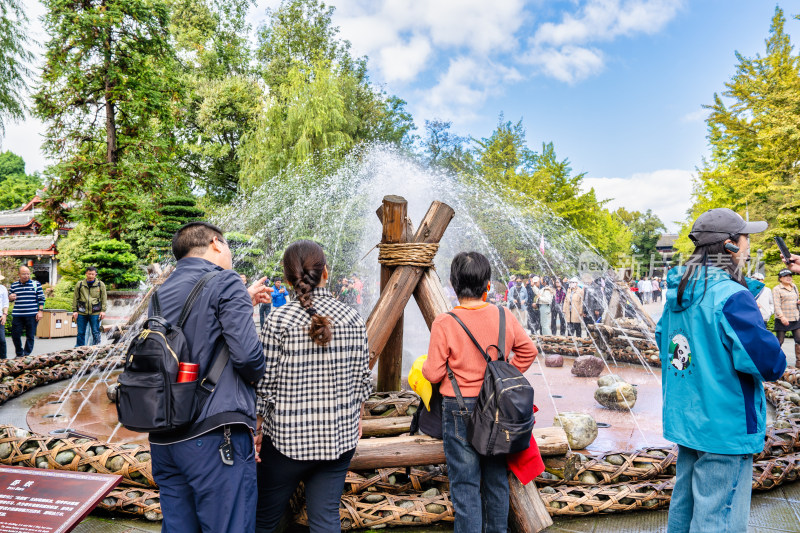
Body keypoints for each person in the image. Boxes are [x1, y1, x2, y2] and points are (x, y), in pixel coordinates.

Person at [657, 208, 785, 532]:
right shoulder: (731, 297)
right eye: (745, 239)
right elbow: (768, 363)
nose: (749, 246)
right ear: (730, 245)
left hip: (688, 423)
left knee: (684, 513)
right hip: (724, 428)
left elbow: (668, 347)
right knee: (719, 520)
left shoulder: (679, 294)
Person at [147, 222, 269, 533]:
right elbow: (248, 358)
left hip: (165, 435)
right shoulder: (226, 282)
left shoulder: (161, 293)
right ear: (216, 243)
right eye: (227, 246)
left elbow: (192, 335)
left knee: (179, 527)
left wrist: (242, 299)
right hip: (214, 434)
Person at [255, 240, 371, 533]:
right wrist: (356, 419)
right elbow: (362, 380)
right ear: (325, 273)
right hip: (338, 440)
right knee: (325, 519)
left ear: (288, 278)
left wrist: (256, 429)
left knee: (264, 517)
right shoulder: (353, 317)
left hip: (285, 443)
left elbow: (264, 386)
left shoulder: (279, 319)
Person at [422, 251, 537, 533]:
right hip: (498, 409)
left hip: (458, 408)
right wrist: (504, 375)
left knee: (465, 484)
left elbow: (434, 373)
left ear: (452, 284)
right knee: (496, 480)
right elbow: (528, 351)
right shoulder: (503, 315)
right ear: (487, 285)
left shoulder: (445, 322)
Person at [9, 266, 45, 357]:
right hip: (17, 315)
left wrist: (40, 311)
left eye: (28, 274)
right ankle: (19, 353)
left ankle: (26, 354)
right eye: (24, 274)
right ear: (19, 274)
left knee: (30, 335)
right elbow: (10, 298)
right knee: (15, 335)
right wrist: (10, 298)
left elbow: (41, 299)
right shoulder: (14, 285)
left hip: (32, 314)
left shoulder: (36, 284)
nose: (26, 276)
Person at [72, 266, 107, 347]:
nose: (91, 276)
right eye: (89, 274)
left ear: (95, 275)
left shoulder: (100, 284)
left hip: (95, 312)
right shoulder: (80, 284)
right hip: (82, 312)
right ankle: (79, 348)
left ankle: (96, 347)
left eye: (92, 274)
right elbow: (75, 298)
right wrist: (74, 311)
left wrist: (103, 310)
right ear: (86, 274)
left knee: (95, 332)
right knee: (81, 332)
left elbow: (104, 298)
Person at [772, 269, 800, 367]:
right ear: (780, 278)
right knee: (779, 341)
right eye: (786, 276)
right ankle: (775, 362)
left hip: (795, 317)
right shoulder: (777, 289)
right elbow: (777, 305)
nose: (789, 278)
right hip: (782, 319)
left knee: (799, 339)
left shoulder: (794, 287)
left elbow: (796, 299)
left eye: (790, 276)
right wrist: (782, 317)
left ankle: (799, 363)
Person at [0, 275, 8, 360]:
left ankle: (3, 360)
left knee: (1, 340)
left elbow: (6, 303)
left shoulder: (3, 288)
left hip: (0, 316)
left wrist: (5, 315)